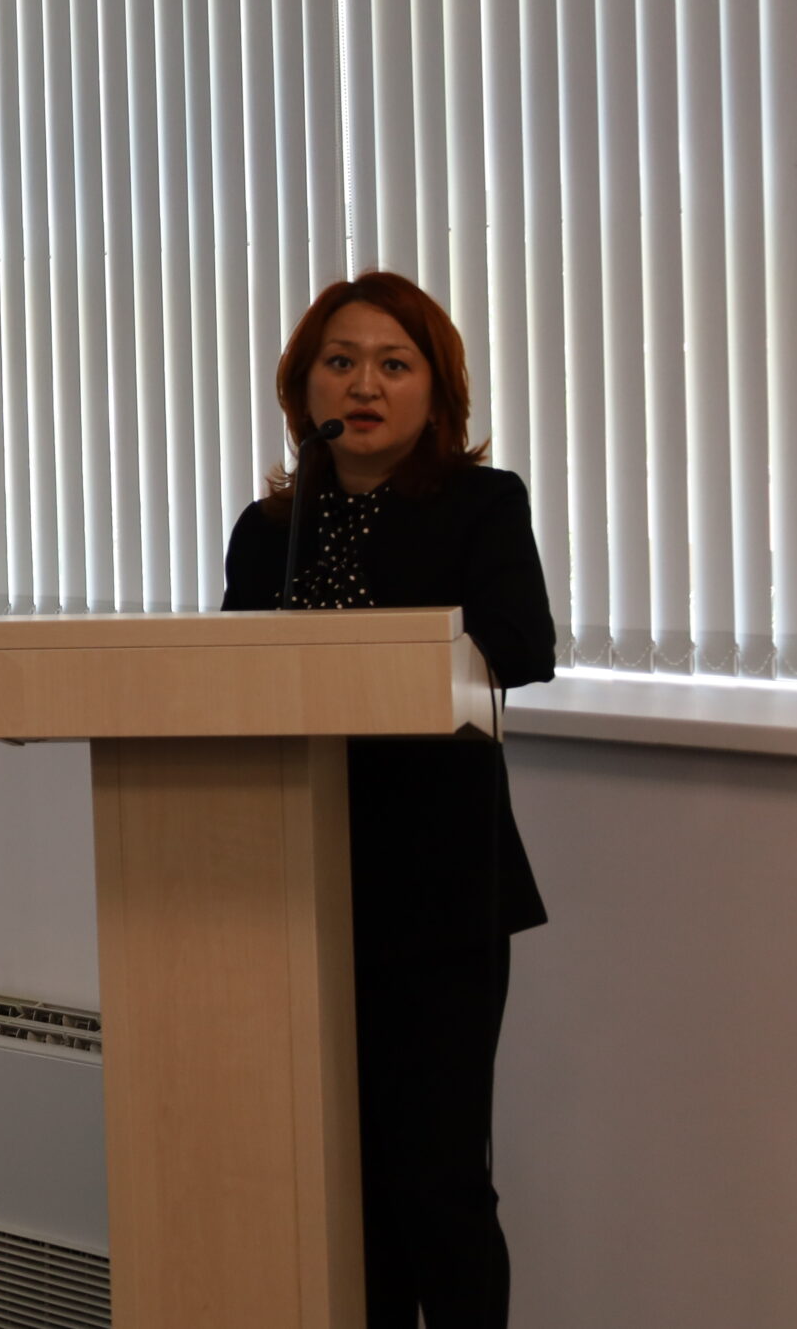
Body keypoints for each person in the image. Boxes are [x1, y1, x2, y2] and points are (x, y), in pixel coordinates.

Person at [220, 271, 554, 1329]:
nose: (364, 384)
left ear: (434, 391)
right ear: (303, 389)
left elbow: (520, 647)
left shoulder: (479, 506)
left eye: (393, 364)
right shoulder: (269, 529)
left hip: (441, 886)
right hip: (298, 877)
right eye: (340, 362)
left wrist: (385, 657)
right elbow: (224, 677)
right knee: (341, 1178)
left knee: (438, 1180)